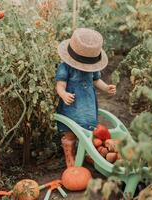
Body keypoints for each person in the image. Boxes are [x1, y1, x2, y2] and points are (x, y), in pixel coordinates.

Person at [55, 28, 116, 167]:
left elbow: (96, 81)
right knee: (70, 133)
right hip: (72, 106)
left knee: (89, 132)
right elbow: (60, 85)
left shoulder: (92, 68)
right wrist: (63, 94)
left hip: (88, 105)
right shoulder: (65, 67)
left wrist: (106, 87)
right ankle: (70, 159)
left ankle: (87, 153)